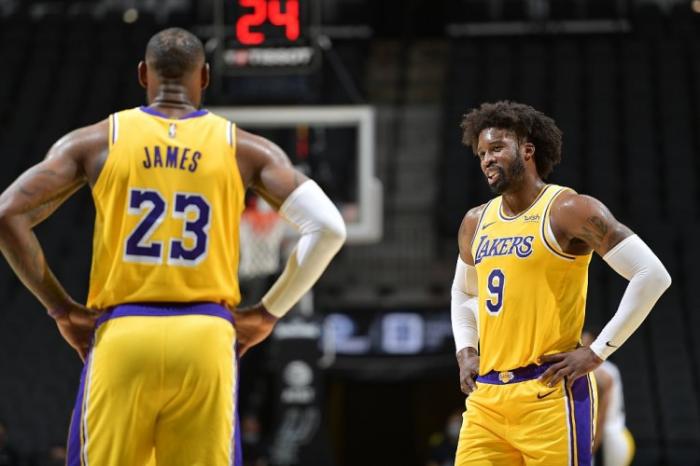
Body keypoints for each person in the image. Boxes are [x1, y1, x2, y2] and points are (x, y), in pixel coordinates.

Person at [0, 28, 346, 466]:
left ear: (143, 74)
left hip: (124, 334)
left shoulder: (95, 141)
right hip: (206, 337)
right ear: (205, 77)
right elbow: (329, 228)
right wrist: (267, 313)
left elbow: (7, 214)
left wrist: (61, 309)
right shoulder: (246, 149)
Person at [450, 101, 671, 465]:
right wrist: (466, 351)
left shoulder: (569, 210)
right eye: (482, 154)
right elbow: (463, 290)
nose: (487, 160)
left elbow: (652, 274)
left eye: (497, 149)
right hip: (487, 398)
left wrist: (597, 351)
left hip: (548, 392)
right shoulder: (475, 221)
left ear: (527, 150)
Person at [581, 330, 635, 466]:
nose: (582, 347)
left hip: (610, 437)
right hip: (618, 435)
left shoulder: (601, 370)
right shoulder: (609, 368)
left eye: (586, 343)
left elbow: (601, 417)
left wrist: (592, 448)